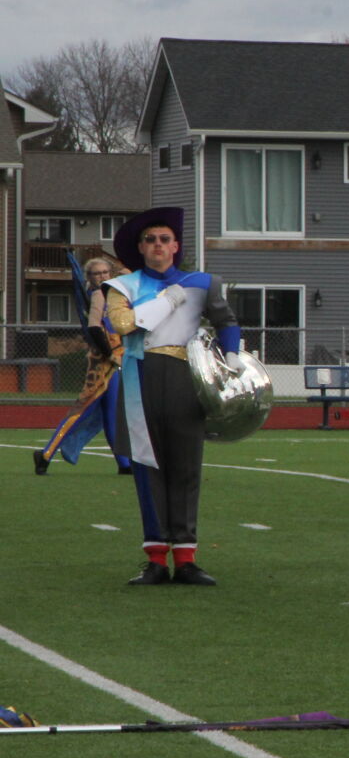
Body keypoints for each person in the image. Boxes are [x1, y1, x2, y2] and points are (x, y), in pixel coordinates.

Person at [102, 207, 240, 586]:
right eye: (150, 240)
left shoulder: (201, 282)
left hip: (184, 377)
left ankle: (187, 557)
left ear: (176, 246)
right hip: (140, 377)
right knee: (148, 468)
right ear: (140, 248)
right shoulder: (122, 287)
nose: (158, 245)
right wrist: (168, 299)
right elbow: (125, 324)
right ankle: (156, 559)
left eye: (165, 239)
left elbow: (226, 321)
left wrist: (231, 360)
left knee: (186, 467)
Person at [34, 254, 132, 476]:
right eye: (96, 273)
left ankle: (124, 462)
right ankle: (46, 453)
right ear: (89, 277)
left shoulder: (114, 291)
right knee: (82, 409)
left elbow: (130, 276)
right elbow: (95, 328)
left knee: (111, 413)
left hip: (116, 358)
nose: (101, 276)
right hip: (103, 361)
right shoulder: (98, 294)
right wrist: (110, 354)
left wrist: (118, 270)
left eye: (104, 272)